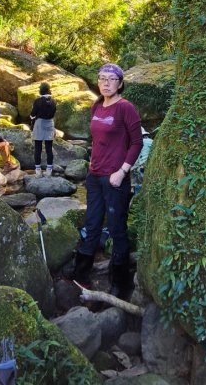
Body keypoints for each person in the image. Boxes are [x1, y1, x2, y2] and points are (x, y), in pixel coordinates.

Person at [73, 63, 143, 298]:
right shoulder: (97, 106)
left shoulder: (126, 108)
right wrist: (93, 164)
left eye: (111, 79)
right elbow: (98, 140)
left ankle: (120, 282)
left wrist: (122, 171)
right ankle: (80, 274)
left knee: (116, 228)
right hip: (95, 175)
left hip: (116, 179)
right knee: (91, 223)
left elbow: (137, 143)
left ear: (120, 83)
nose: (105, 83)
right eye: (102, 78)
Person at [30, 82, 57, 178]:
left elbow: (32, 114)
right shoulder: (54, 101)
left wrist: (32, 119)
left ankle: (38, 171)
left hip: (39, 124)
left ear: (41, 90)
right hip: (50, 123)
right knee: (49, 148)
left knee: (38, 148)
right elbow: (53, 113)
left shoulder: (37, 101)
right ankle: (49, 171)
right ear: (49, 90)